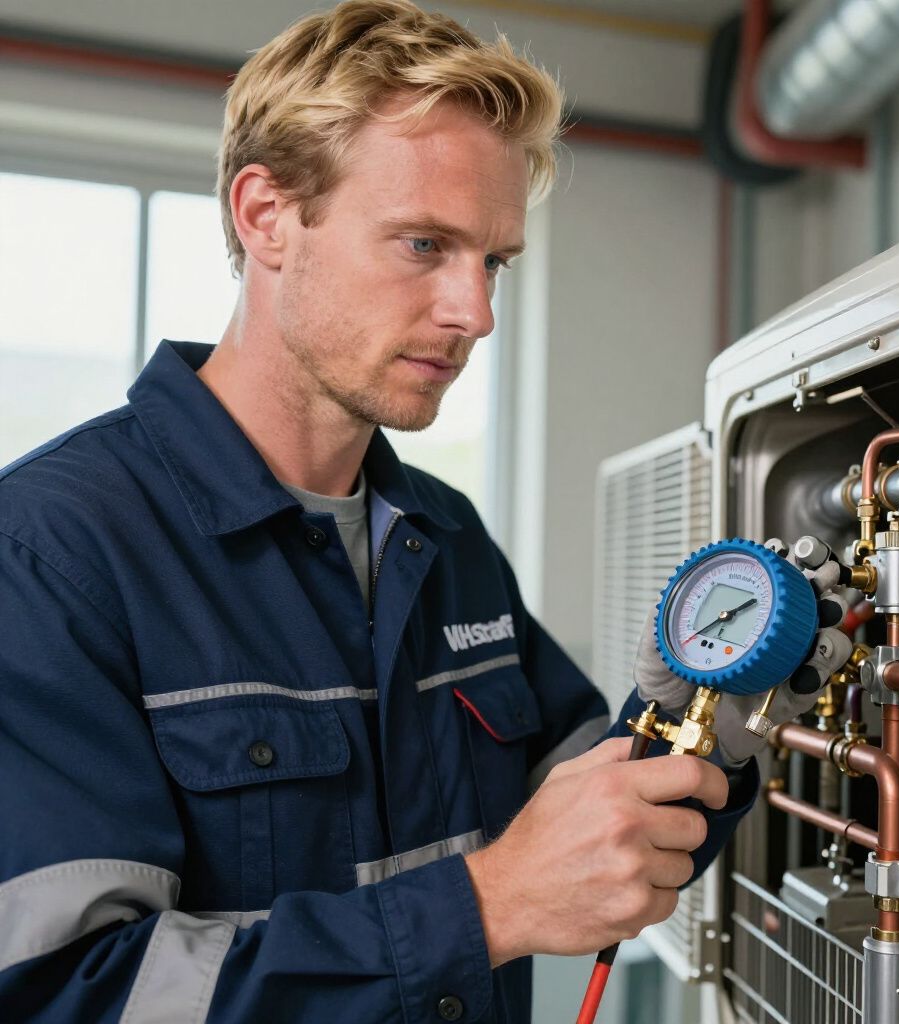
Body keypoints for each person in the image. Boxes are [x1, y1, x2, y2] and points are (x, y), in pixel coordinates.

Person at [0, 2, 851, 1021]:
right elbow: (63, 994)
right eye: (422, 245)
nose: (475, 312)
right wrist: (483, 908)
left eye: (491, 260)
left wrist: (714, 712)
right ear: (266, 215)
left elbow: (593, 842)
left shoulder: (440, 533)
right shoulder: (52, 552)